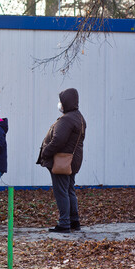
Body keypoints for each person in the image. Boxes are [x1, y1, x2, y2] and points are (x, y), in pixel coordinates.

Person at [37, 88, 86, 234]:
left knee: (61, 191)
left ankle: (64, 223)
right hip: (73, 160)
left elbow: (58, 140)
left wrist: (45, 152)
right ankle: (74, 221)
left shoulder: (67, 119)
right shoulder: (79, 118)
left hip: (62, 161)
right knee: (69, 189)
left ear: (66, 102)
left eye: (61, 101)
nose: (60, 104)